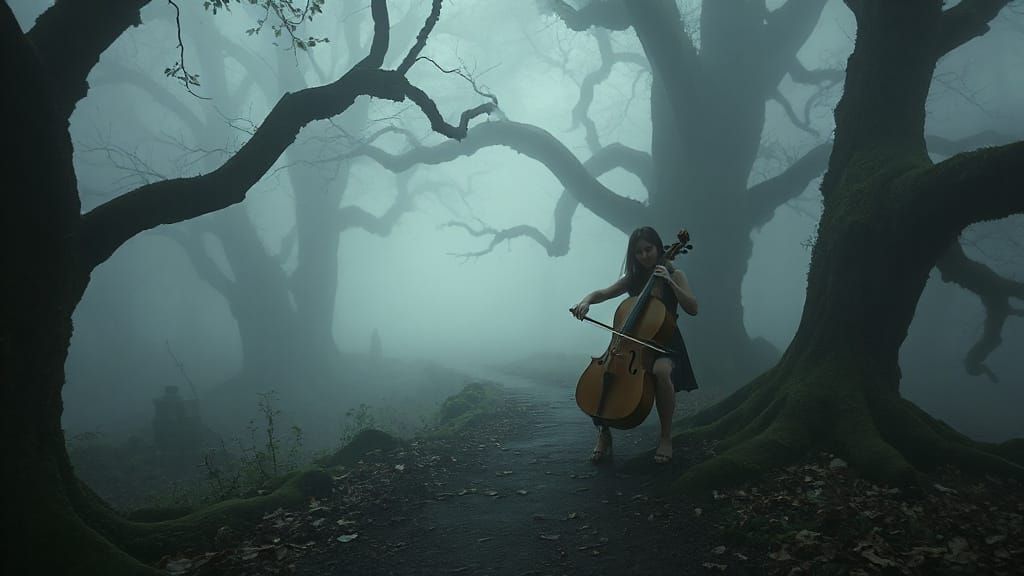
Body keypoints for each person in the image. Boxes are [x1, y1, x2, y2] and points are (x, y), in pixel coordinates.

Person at [570, 226, 698, 465]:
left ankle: (666, 437)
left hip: (665, 343)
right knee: (603, 376)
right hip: (629, 345)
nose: (644, 256)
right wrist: (586, 301)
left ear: (659, 248)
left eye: (648, 250)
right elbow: (603, 293)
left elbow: (693, 307)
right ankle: (603, 434)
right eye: (638, 252)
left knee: (661, 372)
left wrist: (670, 282)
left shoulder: (675, 274)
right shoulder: (634, 278)